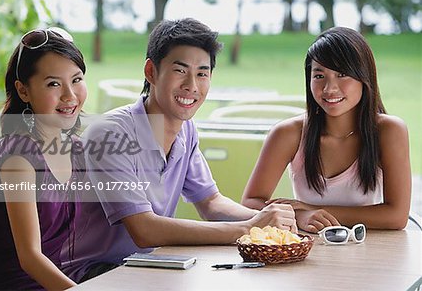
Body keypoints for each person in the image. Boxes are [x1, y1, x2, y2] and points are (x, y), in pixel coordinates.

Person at [62, 18, 296, 282]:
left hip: (152, 265)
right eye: (180, 70)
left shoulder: (186, 130)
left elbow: (210, 203)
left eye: (202, 73)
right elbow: (144, 229)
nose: (192, 86)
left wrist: (273, 221)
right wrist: (247, 228)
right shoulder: (110, 134)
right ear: (151, 72)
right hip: (94, 274)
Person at [241, 27, 411, 233]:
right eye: (319, 75)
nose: (330, 88)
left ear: (364, 77)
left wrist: (313, 210)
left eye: (342, 74)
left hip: (368, 247)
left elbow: (396, 216)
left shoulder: (388, 130)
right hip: (307, 247)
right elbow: (250, 202)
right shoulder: (288, 133)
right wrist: (300, 216)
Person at [0, 27, 87, 290]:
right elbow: (31, 258)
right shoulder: (18, 160)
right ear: (24, 91)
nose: (70, 95)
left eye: (77, 79)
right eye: (53, 84)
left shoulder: (77, 150)